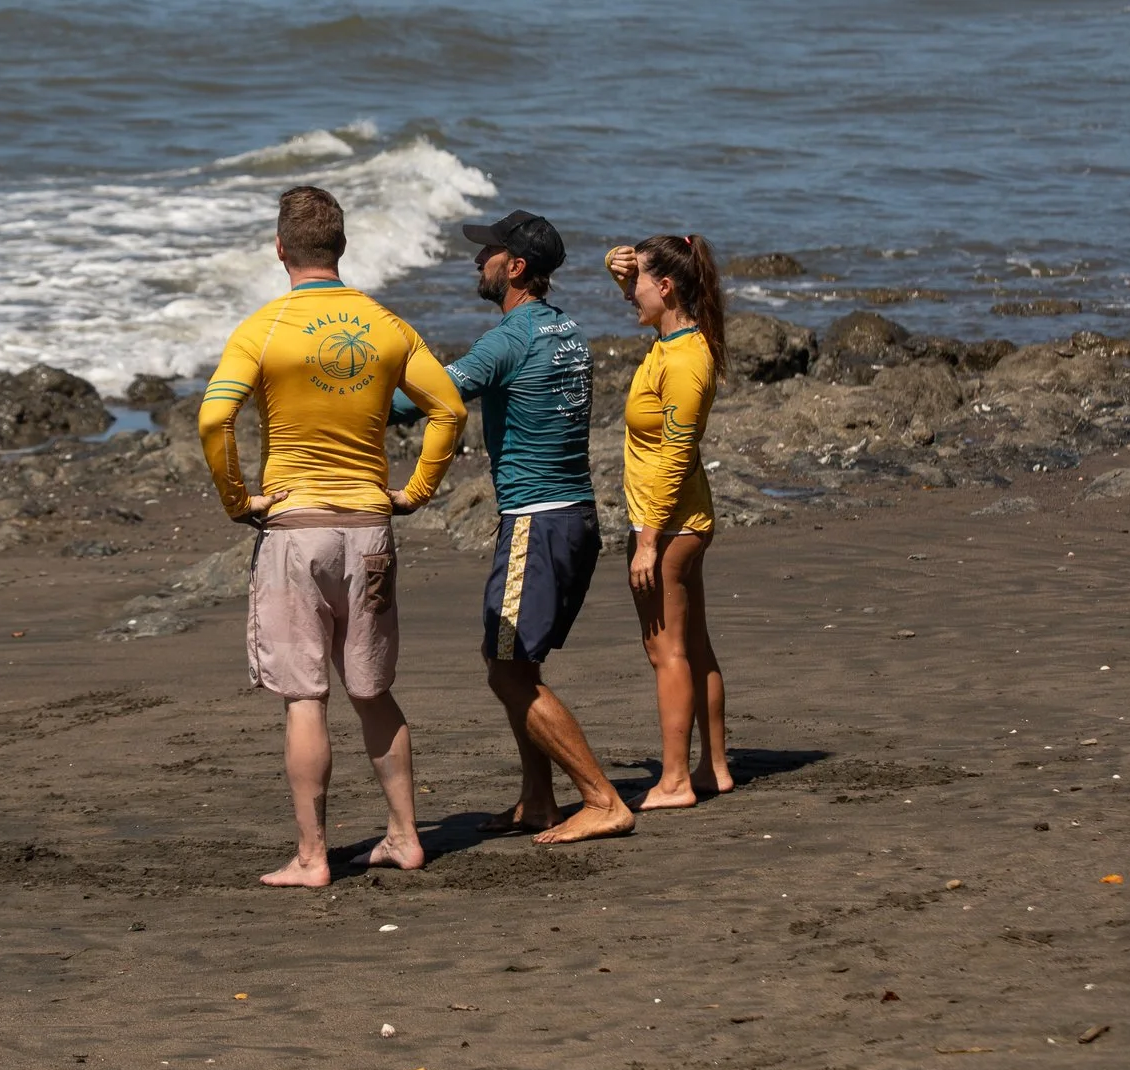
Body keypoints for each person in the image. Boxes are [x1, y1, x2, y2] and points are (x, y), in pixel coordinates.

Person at [199, 185, 469, 888]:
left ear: (280, 247)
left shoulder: (263, 327)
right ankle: (406, 836)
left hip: (295, 530)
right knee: (372, 689)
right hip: (369, 528)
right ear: (342, 247)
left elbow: (213, 420)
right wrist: (415, 490)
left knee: (305, 695)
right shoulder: (384, 324)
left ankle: (314, 856)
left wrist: (239, 499)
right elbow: (448, 408)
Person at [391, 210, 632, 844]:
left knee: (508, 671)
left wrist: (347, 398)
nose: (478, 262)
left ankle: (603, 799)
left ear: (516, 267)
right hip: (572, 519)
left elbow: (430, 398)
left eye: (489, 253)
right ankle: (537, 800)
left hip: (538, 524)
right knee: (510, 661)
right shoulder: (566, 330)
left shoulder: (509, 339)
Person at [605, 234, 732, 810]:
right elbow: (644, 305)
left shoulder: (684, 362)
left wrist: (647, 543)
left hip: (671, 525)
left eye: (637, 284)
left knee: (668, 653)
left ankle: (677, 779)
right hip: (682, 520)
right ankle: (715, 769)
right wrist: (617, 266)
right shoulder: (674, 340)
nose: (630, 294)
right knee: (694, 647)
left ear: (667, 286)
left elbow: (678, 455)